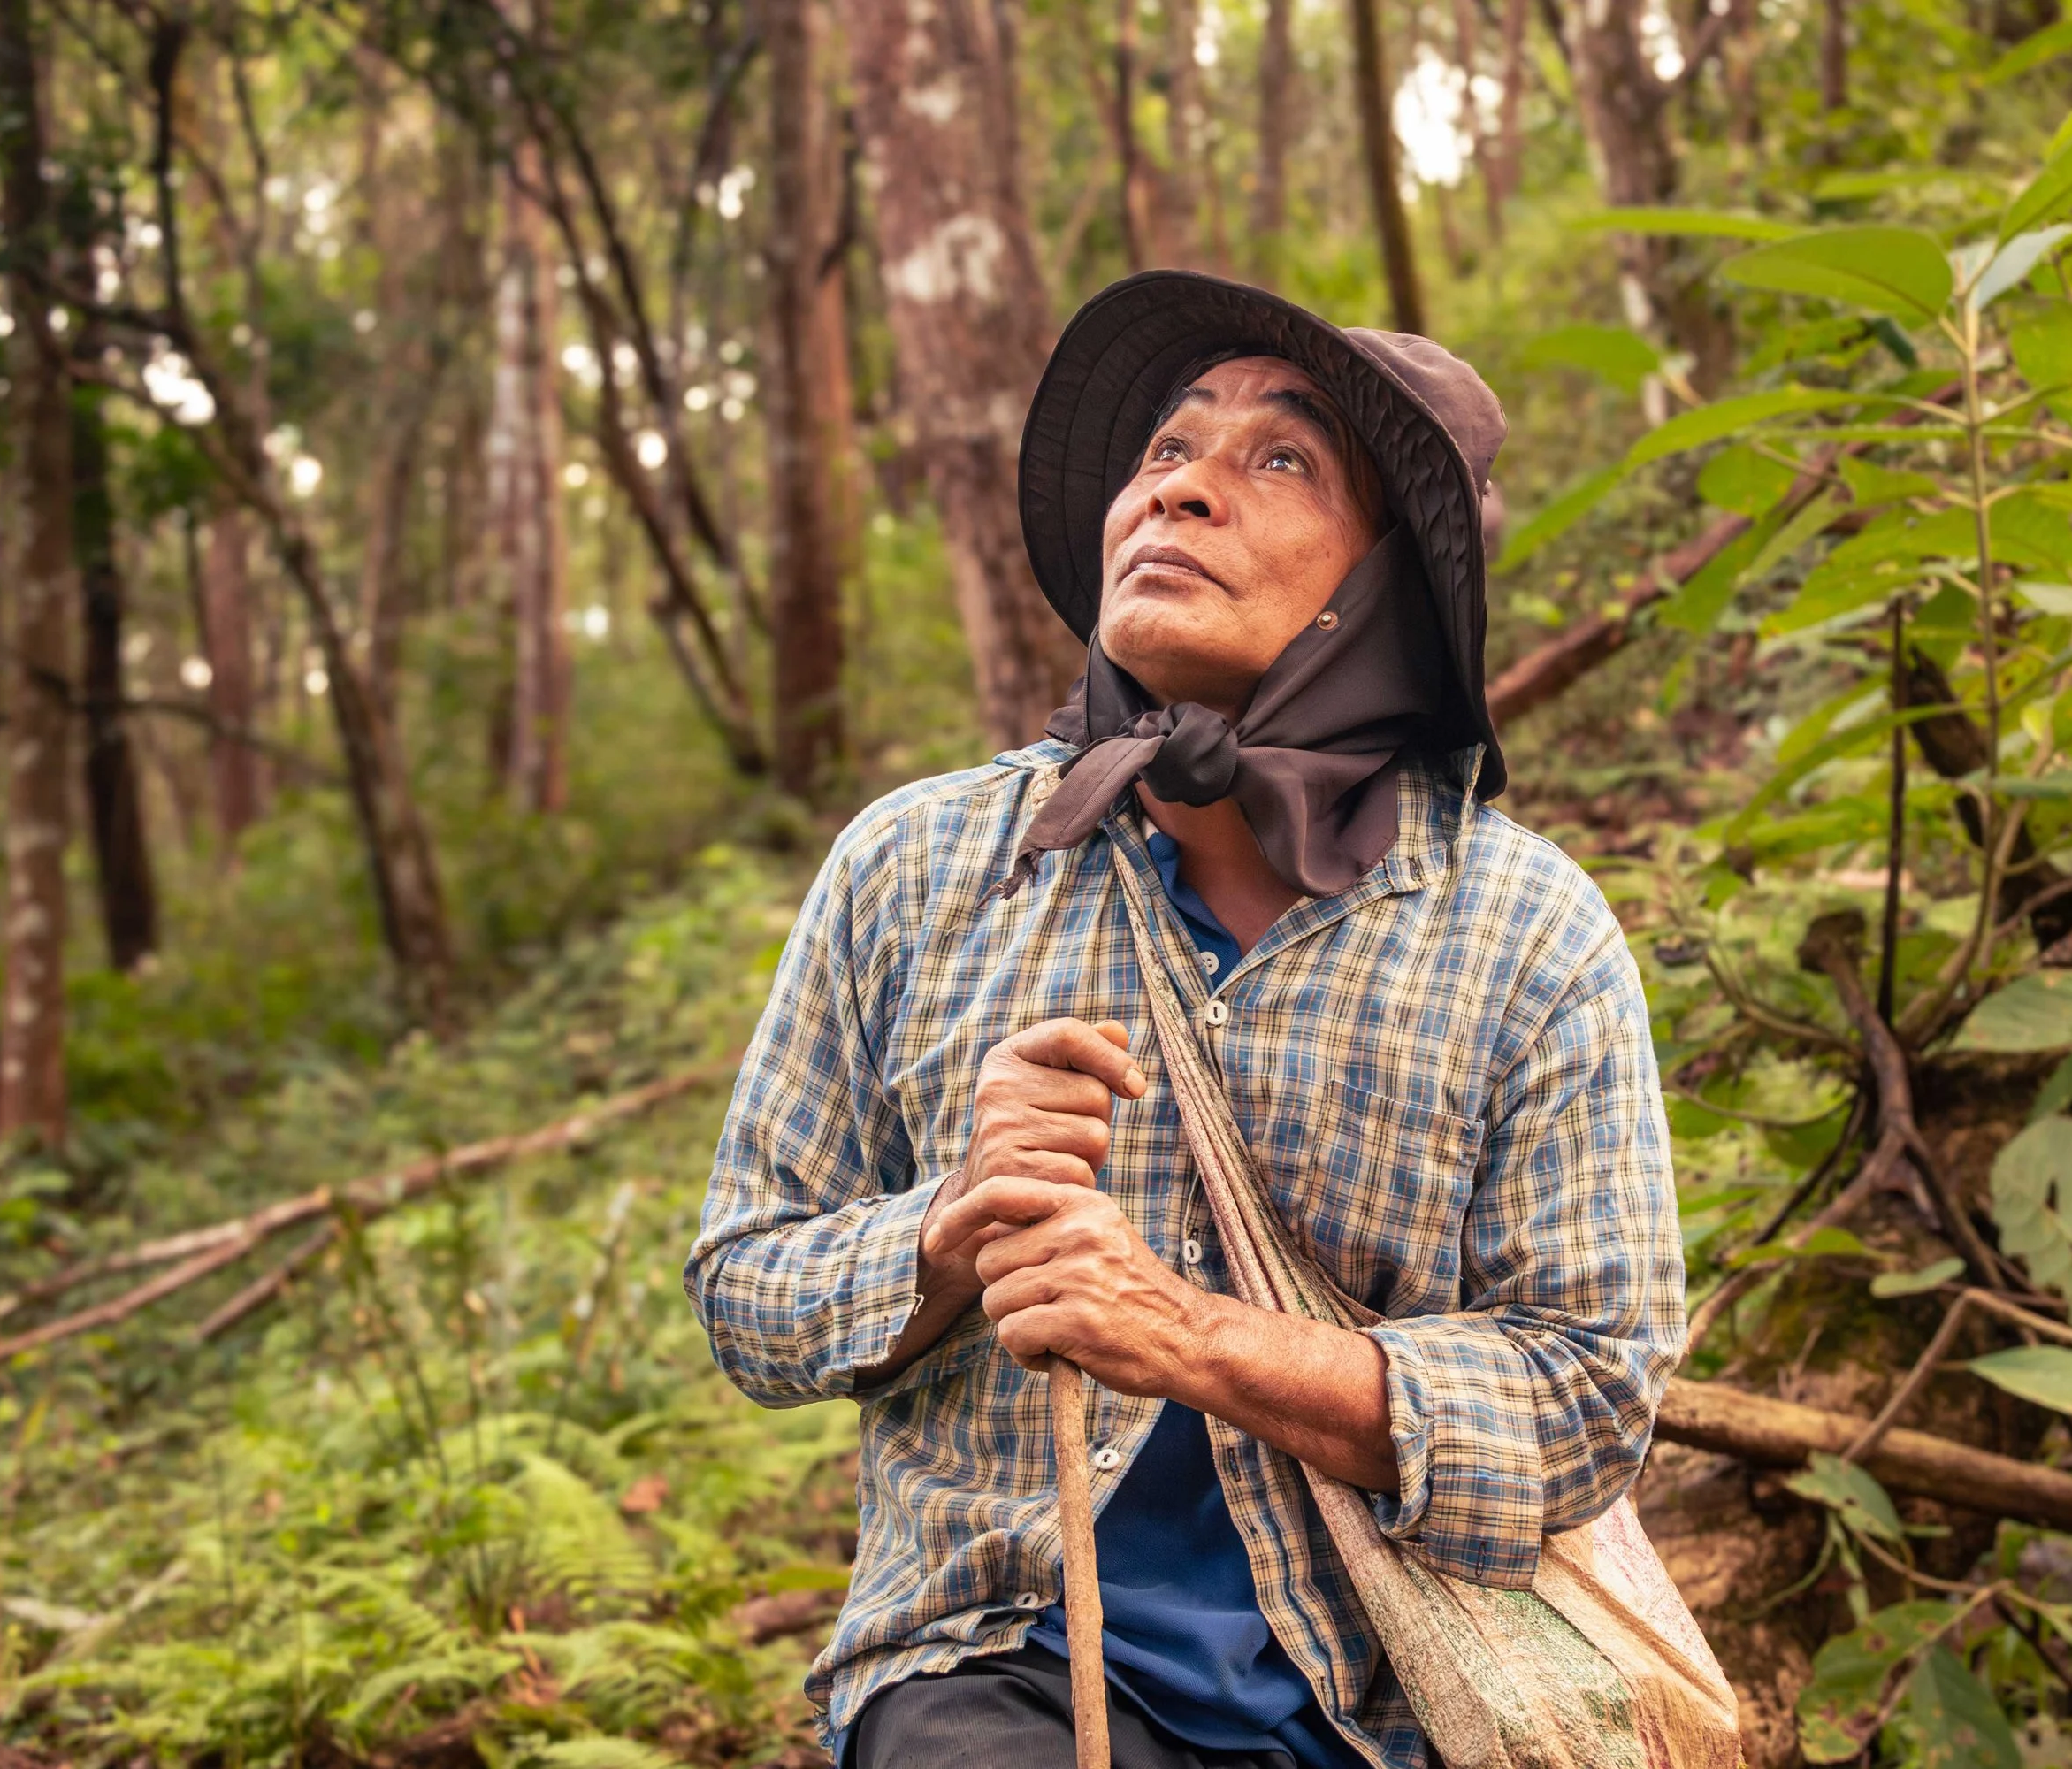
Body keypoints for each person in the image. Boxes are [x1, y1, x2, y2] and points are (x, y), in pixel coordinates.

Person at [685, 270, 1686, 1769]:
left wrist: (1193, 1339)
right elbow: (746, 1284)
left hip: (1406, 1701)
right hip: (997, 1665)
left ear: (1386, 586)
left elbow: (1593, 1389)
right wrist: (953, 1229)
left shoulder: (1520, 930)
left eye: (1279, 459)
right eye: (1166, 451)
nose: (1184, 494)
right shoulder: (920, 868)